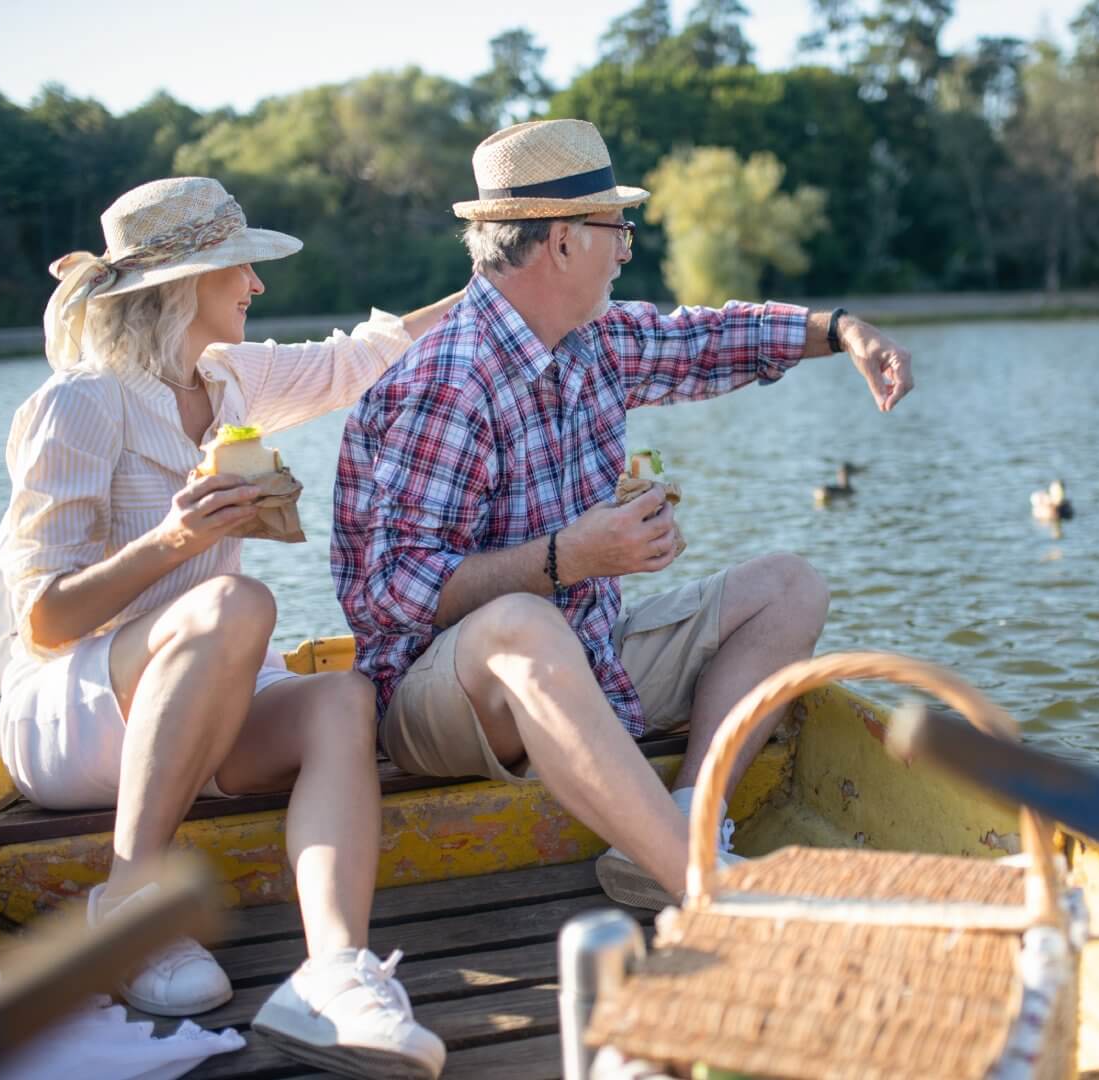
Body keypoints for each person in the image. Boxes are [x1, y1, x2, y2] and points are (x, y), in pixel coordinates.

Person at [332, 119, 914, 911]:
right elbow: (384, 595)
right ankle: (699, 883)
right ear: (563, 242)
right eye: (619, 231)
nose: (627, 248)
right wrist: (566, 558)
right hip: (441, 704)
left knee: (790, 586)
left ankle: (684, 828)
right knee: (524, 623)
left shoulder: (593, 338)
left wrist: (841, 331)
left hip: (586, 656)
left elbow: (710, 340)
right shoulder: (447, 382)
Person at [0, 177, 461, 1080]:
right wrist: (178, 538)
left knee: (340, 699)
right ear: (186, 282)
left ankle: (334, 975)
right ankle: (128, 901)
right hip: (66, 710)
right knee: (240, 602)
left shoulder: (229, 378)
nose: (257, 286)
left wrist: (501, 278)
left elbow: (365, 356)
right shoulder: (79, 404)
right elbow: (42, 617)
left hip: (200, 693)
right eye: (241, 266)